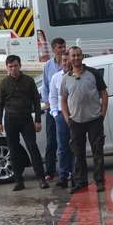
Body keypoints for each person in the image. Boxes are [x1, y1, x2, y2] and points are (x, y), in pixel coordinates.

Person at [0, 55, 48, 191]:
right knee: (13, 150)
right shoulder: (4, 83)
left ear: (20, 66)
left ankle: (41, 179)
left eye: (15, 66)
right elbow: (0, 103)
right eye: (10, 66)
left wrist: (37, 120)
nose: (13, 69)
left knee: (32, 147)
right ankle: (19, 181)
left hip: (26, 119)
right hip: (10, 120)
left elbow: (36, 101)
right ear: (7, 67)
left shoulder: (28, 81)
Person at [61, 46, 108, 194]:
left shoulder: (93, 74)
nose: (75, 58)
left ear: (82, 57)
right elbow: (63, 99)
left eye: (78, 55)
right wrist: (66, 117)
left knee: (97, 152)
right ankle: (81, 182)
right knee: (78, 153)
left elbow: (104, 94)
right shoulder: (66, 78)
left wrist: (102, 114)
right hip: (76, 121)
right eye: (72, 56)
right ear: (69, 58)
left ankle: (99, 181)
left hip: (94, 120)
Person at [39, 37, 67, 180]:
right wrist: (47, 102)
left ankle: (68, 170)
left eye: (64, 47)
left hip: (67, 109)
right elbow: (45, 86)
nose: (62, 50)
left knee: (67, 141)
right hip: (52, 109)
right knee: (51, 141)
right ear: (53, 49)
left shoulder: (68, 64)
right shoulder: (48, 65)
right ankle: (50, 171)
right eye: (59, 47)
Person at [47, 48, 73, 188]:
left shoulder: (76, 75)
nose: (66, 63)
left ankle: (75, 174)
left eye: (67, 60)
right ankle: (63, 175)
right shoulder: (56, 77)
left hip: (76, 115)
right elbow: (52, 97)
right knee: (62, 147)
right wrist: (55, 114)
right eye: (63, 60)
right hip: (61, 116)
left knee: (75, 145)